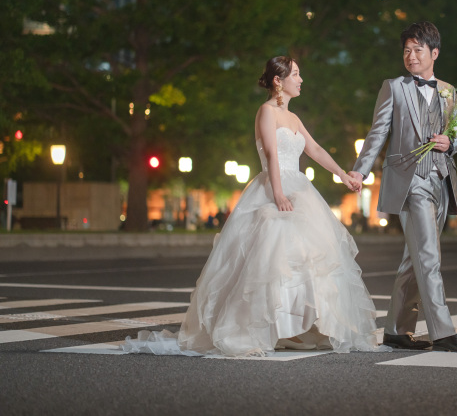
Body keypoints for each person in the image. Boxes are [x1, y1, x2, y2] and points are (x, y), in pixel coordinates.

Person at [123, 56, 384, 357]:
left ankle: (297, 328)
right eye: (296, 74)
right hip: (274, 188)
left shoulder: (293, 118)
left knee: (305, 259)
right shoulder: (266, 112)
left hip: (300, 189)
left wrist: (343, 175)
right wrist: (278, 194)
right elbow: (272, 155)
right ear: (278, 81)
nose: (301, 80)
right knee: (270, 260)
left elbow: (314, 149)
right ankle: (261, 327)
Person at [349, 22, 457, 353]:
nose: (410, 56)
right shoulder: (393, 88)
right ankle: (443, 332)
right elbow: (378, 131)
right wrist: (360, 171)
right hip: (409, 181)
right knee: (428, 256)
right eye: (406, 50)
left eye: (417, 50)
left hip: (441, 179)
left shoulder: (448, 91)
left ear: (434, 53)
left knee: (415, 258)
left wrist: (451, 142)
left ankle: (397, 330)